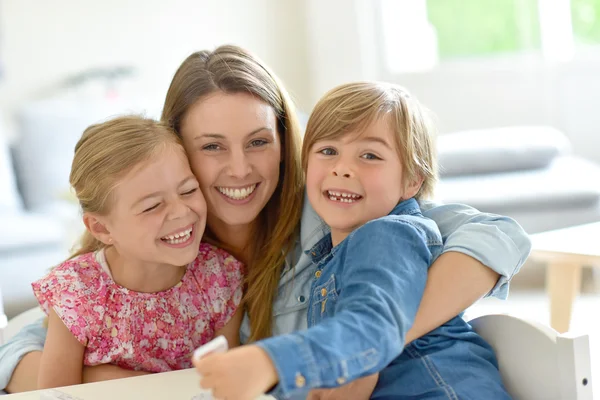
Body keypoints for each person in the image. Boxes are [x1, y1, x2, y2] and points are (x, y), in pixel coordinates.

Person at [0, 45, 530, 396]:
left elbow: (497, 235)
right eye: (211, 148)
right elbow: (23, 348)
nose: (239, 169)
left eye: (258, 142)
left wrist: (379, 333)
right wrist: (113, 382)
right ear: (175, 152)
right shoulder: (151, 248)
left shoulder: (341, 212)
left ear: (284, 143)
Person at [193, 82, 511, 400]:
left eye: (369, 155)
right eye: (328, 151)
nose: (343, 169)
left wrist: (270, 361)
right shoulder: (332, 253)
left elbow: (371, 326)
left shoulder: (388, 235)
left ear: (412, 180)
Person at [31, 116, 244, 389]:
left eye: (189, 190)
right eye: (152, 206)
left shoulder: (220, 276)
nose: (181, 212)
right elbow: (55, 395)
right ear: (101, 227)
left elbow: (229, 385)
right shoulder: (76, 292)